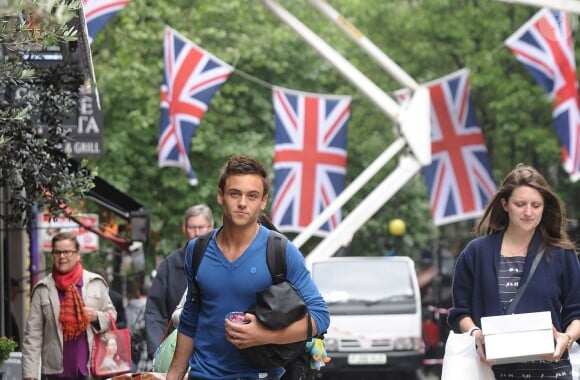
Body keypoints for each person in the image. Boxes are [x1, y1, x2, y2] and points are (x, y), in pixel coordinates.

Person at [166, 155, 330, 380]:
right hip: (204, 375)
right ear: (220, 195)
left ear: (263, 201)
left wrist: (266, 335)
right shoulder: (198, 250)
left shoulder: (280, 250)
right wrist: (172, 376)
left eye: (252, 196)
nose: (242, 203)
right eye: (235, 193)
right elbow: (190, 318)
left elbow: (320, 317)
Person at [448, 164, 580, 379]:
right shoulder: (475, 253)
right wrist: (476, 334)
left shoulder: (562, 255)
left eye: (536, 205)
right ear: (505, 204)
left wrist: (567, 338)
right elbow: (460, 312)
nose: (528, 212)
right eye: (520, 204)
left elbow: (577, 312)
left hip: (550, 372)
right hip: (490, 372)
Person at [22, 231, 117, 380]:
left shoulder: (95, 283)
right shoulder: (43, 289)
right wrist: (30, 375)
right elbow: (33, 336)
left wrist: (96, 316)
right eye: (57, 252)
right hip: (56, 373)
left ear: (77, 255)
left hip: (91, 370)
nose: (62, 257)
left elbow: (112, 316)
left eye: (67, 252)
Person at [145, 204, 215, 358]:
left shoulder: (224, 260)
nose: (196, 233)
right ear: (184, 229)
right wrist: (158, 350)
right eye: (192, 228)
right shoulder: (171, 263)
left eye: (201, 227)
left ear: (211, 227)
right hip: (176, 350)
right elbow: (154, 311)